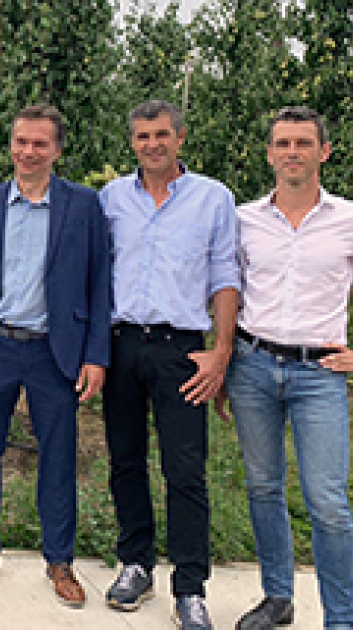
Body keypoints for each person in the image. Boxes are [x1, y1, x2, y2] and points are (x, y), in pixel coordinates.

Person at [0, 104, 110, 609]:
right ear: (11, 145)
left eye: (40, 143)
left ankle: (59, 560)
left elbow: (100, 282)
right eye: (21, 141)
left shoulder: (83, 206)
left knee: (58, 459)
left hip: (54, 352)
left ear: (57, 149)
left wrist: (96, 355)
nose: (29, 151)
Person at [98, 99, 238, 630]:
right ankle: (136, 563)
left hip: (182, 349)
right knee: (125, 461)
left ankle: (190, 587)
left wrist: (221, 352)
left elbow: (225, 276)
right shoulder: (112, 198)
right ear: (132, 142)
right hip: (121, 345)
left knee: (185, 470)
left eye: (161, 134)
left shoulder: (212, 198)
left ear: (180, 138)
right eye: (142, 136)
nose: (152, 144)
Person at [222, 106, 353, 630]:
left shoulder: (347, 219)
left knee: (328, 502)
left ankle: (341, 617)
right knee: (263, 487)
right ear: (269, 153)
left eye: (303, 143)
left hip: (319, 375)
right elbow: (227, 291)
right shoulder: (244, 220)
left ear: (324, 151)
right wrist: (223, 357)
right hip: (252, 366)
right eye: (283, 143)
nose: (292, 152)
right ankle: (278, 597)